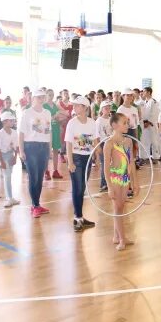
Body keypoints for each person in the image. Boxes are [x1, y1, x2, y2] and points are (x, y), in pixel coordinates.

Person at [65, 96, 99, 232]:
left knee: (82, 188)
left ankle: (79, 217)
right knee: (77, 188)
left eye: (78, 105)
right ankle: (78, 218)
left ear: (85, 107)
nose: (74, 107)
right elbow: (68, 143)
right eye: (74, 105)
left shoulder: (92, 122)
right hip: (76, 158)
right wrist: (70, 162)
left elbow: (95, 140)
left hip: (88, 158)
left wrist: (96, 155)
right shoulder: (72, 123)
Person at [104, 112, 138, 250]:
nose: (127, 125)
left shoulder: (128, 141)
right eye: (124, 123)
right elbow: (106, 167)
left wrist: (135, 183)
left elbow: (131, 163)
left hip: (125, 178)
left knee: (120, 207)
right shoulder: (109, 143)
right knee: (118, 208)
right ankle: (122, 239)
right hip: (115, 178)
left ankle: (116, 236)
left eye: (127, 122)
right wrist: (109, 186)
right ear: (114, 125)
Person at [19, 89, 51, 218]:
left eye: (43, 97)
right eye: (39, 97)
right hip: (30, 147)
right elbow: (21, 133)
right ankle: (35, 205)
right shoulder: (27, 112)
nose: (41, 99)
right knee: (34, 177)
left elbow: (48, 132)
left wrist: (49, 149)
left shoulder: (47, 112)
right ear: (33, 98)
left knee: (40, 177)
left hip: (44, 146)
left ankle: (36, 205)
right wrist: (21, 150)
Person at [0, 112, 20, 208]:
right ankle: (9, 198)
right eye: (11, 120)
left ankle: (10, 198)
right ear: (4, 121)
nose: (13, 122)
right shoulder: (0, 134)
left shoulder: (14, 132)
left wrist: (15, 157)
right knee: (7, 177)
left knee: (9, 176)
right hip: (3, 156)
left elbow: (16, 146)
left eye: (13, 120)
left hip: (11, 156)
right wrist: (1, 162)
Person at [43, 89, 63, 180]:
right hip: (47, 131)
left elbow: (57, 118)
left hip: (55, 129)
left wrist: (60, 120)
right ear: (46, 95)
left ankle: (55, 171)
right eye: (49, 95)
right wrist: (55, 116)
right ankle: (46, 171)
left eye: (52, 95)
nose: (51, 96)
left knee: (55, 151)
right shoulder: (44, 106)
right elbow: (45, 120)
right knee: (47, 152)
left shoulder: (55, 105)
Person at [96, 102, 113, 192]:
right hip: (103, 144)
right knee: (105, 164)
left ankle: (111, 182)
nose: (107, 109)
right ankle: (103, 183)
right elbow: (97, 135)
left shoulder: (111, 119)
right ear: (102, 109)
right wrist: (98, 146)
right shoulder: (99, 121)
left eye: (108, 107)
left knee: (111, 164)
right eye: (105, 108)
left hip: (111, 143)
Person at [140, 87, 161, 163]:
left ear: (149, 92)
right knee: (145, 141)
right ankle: (146, 157)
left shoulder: (153, 101)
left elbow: (154, 113)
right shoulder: (145, 102)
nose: (143, 93)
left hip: (151, 124)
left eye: (144, 91)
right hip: (145, 124)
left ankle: (156, 157)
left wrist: (149, 122)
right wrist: (144, 122)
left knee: (154, 141)